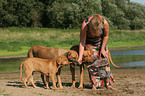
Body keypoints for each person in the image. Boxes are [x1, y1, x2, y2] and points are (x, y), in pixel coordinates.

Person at [78, 14, 115, 90]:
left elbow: (105, 36)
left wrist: (102, 49)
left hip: (101, 42)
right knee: (92, 60)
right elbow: (82, 41)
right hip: (89, 43)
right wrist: (80, 57)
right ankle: (95, 84)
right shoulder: (85, 24)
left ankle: (108, 84)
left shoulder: (104, 23)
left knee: (104, 60)